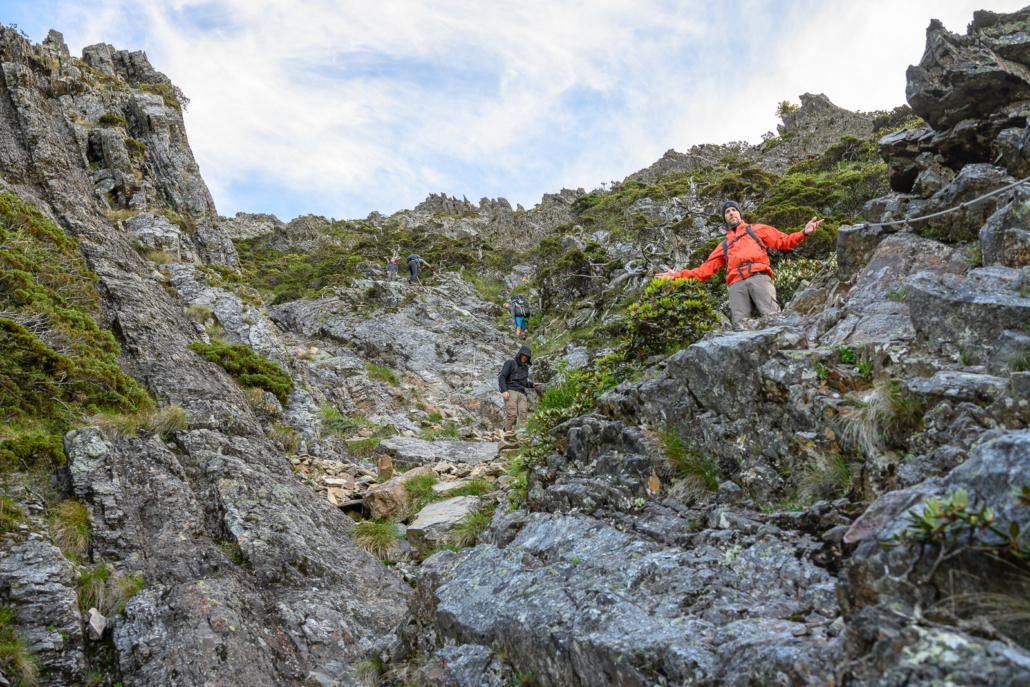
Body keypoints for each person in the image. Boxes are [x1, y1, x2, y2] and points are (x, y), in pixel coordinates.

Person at [656, 201, 823, 327]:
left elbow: (784, 241)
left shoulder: (756, 230)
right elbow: (704, 271)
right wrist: (677, 275)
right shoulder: (724, 246)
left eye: (734, 210)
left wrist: (804, 233)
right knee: (741, 324)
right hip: (736, 284)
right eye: (727, 212)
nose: (731, 213)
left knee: (773, 317)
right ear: (725, 218)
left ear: (739, 214)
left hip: (759, 277)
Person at [498, 345, 541, 432]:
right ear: (519, 354)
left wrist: (532, 384)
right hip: (511, 390)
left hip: (521, 392)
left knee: (523, 413)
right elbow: (502, 377)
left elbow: (523, 382)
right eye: (523, 355)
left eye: (527, 356)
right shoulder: (510, 363)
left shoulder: (525, 368)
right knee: (513, 415)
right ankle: (507, 435)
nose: (524, 357)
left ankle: (521, 435)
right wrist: (504, 390)